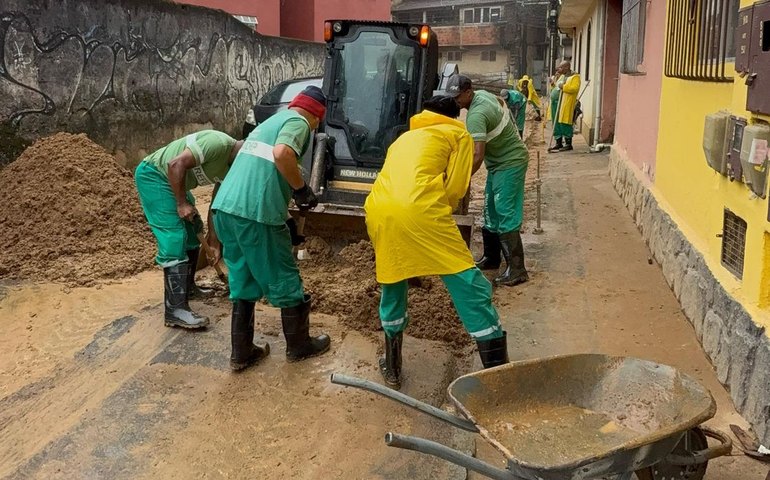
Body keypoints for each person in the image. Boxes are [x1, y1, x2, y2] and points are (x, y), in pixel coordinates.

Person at [364, 96, 509, 389]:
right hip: (421, 210)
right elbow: (456, 186)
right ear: (455, 117)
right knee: (469, 283)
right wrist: (442, 208)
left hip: (378, 209)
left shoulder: (404, 138)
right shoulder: (457, 134)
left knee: (393, 281)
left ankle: (392, 367)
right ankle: (498, 375)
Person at [211, 85, 331, 371]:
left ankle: (241, 353)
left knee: (242, 280)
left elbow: (261, 169)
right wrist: (301, 190)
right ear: (317, 116)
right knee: (283, 276)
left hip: (225, 209)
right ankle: (299, 346)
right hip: (255, 214)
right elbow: (282, 154)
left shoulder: (268, 123)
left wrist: (286, 218)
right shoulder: (299, 122)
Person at [135, 130, 243, 330]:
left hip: (175, 182)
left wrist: (213, 241)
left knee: (194, 230)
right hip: (155, 175)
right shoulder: (217, 143)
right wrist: (181, 203)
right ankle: (175, 310)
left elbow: (216, 204)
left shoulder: (233, 169)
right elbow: (174, 164)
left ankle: (188, 288)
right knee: (174, 237)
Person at [446, 74, 529, 287]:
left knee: (504, 210)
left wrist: (461, 180)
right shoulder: (483, 95)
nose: (455, 101)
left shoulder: (476, 115)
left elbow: (477, 155)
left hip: (510, 162)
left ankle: (518, 269)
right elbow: (501, 104)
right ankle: (492, 258)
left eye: (458, 97)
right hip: (498, 163)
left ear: (468, 92)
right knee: (490, 210)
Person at [548, 61, 581, 152]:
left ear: (566, 67)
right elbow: (557, 88)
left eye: (560, 68)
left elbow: (574, 88)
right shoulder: (562, 76)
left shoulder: (575, 77)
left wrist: (564, 86)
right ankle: (558, 143)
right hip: (555, 103)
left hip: (565, 103)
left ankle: (568, 143)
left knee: (564, 122)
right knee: (556, 122)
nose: (559, 69)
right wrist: (552, 84)